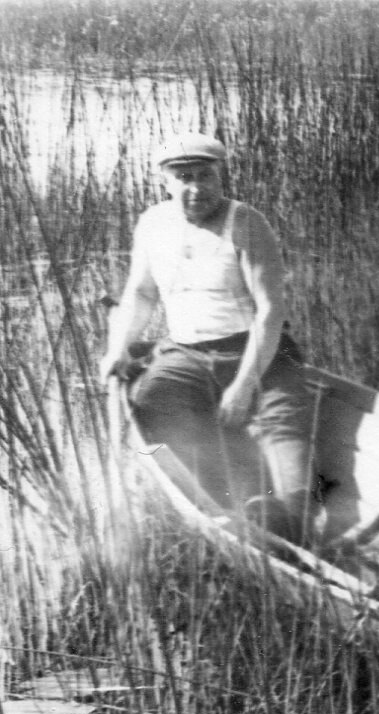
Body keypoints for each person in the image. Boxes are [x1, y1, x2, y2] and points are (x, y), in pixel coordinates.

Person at [99, 134, 316, 545]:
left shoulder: (247, 223)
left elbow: (270, 311)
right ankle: (229, 503)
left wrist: (244, 385)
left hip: (257, 351)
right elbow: (141, 294)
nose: (196, 188)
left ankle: (292, 518)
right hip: (186, 352)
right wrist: (119, 348)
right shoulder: (153, 224)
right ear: (165, 181)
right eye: (184, 178)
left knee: (281, 421)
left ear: (220, 176)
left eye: (205, 176)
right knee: (153, 406)